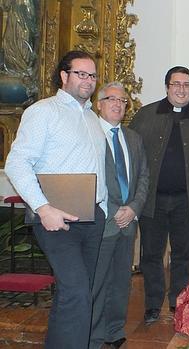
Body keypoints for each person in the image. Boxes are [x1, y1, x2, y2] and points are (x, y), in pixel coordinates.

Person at [4, 50, 107, 349]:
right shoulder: (43, 111)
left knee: (76, 292)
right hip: (56, 219)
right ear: (64, 76)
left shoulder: (92, 118)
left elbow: (97, 169)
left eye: (92, 75)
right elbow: (17, 163)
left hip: (93, 217)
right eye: (81, 74)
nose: (88, 80)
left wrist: (105, 208)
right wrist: (43, 208)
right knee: (76, 291)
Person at [129, 66, 189, 324]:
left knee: (183, 255)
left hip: (187, 199)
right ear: (167, 87)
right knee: (151, 254)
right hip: (152, 200)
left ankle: (178, 302)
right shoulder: (146, 115)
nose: (181, 89)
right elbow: (131, 154)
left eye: (186, 85)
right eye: (176, 84)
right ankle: (153, 304)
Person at [89, 82, 149, 349]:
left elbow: (144, 176)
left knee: (121, 282)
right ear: (98, 104)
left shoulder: (133, 137)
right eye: (112, 99)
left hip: (128, 223)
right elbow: (88, 179)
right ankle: (94, 333)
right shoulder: (88, 135)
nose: (118, 105)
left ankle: (114, 331)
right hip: (102, 222)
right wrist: (115, 211)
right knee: (97, 282)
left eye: (123, 101)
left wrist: (134, 207)